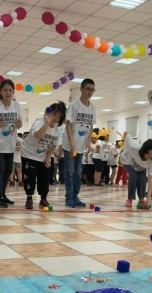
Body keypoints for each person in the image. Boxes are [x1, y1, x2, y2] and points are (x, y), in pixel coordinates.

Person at [21, 101, 67, 209]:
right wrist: (46, 123)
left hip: (44, 155)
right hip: (29, 153)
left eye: (58, 116)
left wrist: (48, 158)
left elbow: (54, 145)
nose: (55, 118)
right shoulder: (39, 122)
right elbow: (38, 135)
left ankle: (43, 199)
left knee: (44, 177)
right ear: (48, 113)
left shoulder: (58, 129)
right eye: (54, 114)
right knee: (30, 177)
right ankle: (29, 198)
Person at [0, 79, 23, 208]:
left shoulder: (17, 105)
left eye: (10, 90)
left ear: (13, 92)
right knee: (0, 170)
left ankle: (3, 194)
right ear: (1, 91)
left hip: (10, 144)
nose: (8, 93)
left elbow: (20, 123)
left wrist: (19, 124)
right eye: (5, 90)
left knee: (8, 171)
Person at [62, 78, 96, 208]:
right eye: (87, 89)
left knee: (78, 172)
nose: (90, 92)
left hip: (81, 146)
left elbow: (91, 126)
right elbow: (68, 125)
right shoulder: (74, 105)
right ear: (81, 89)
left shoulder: (92, 108)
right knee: (70, 172)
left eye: (92, 90)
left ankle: (75, 196)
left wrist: (88, 142)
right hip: (70, 145)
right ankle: (69, 197)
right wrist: (72, 144)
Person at [122, 133, 152, 207]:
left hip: (141, 167)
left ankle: (141, 199)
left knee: (143, 179)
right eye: (148, 153)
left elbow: (150, 179)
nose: (150, 156)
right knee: (133, 176)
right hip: (127, 161)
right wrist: (125, 146)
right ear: (144, 151)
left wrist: (149, 198)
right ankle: (130, 199)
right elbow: (126, 133)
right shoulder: (133, 147)